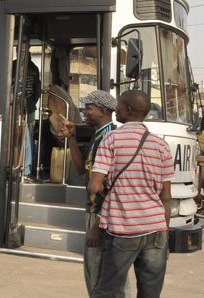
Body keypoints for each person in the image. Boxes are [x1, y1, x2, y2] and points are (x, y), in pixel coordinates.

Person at [89, 90, 173, 298]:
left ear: (127, 110)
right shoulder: (161, 145)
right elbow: (166, 196)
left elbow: (94, 186)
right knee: (150, 292)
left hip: (121, 229)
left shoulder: (111, 140)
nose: (115, 109)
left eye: (118, 106)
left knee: (109, 290)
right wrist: (165, 235)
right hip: (155, 229)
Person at [61, 90, 127, 296]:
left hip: (100, 213)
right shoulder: (99, 135)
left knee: (99, 271)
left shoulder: (108, 137)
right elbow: (82, 170)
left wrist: (97, 223)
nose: (85, 113)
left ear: (103, 110)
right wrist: (71, 138)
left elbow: (103, 186)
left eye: (88, 109)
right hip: (96, 212)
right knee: (96, 270)